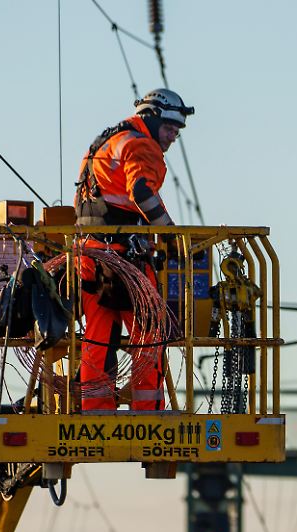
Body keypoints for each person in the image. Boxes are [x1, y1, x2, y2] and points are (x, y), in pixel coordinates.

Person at [72, 88, 194, 411]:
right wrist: (171, 236)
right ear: (151, 120)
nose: (171, 137)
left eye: (176, 132)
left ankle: (95, 410)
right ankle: (148, 411)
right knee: (148, 336)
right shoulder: (143, 146)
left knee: (97, 338)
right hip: (126, 260)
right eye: (169, 128)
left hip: (90, 257)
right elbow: (141, 192)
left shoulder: (104, 143)